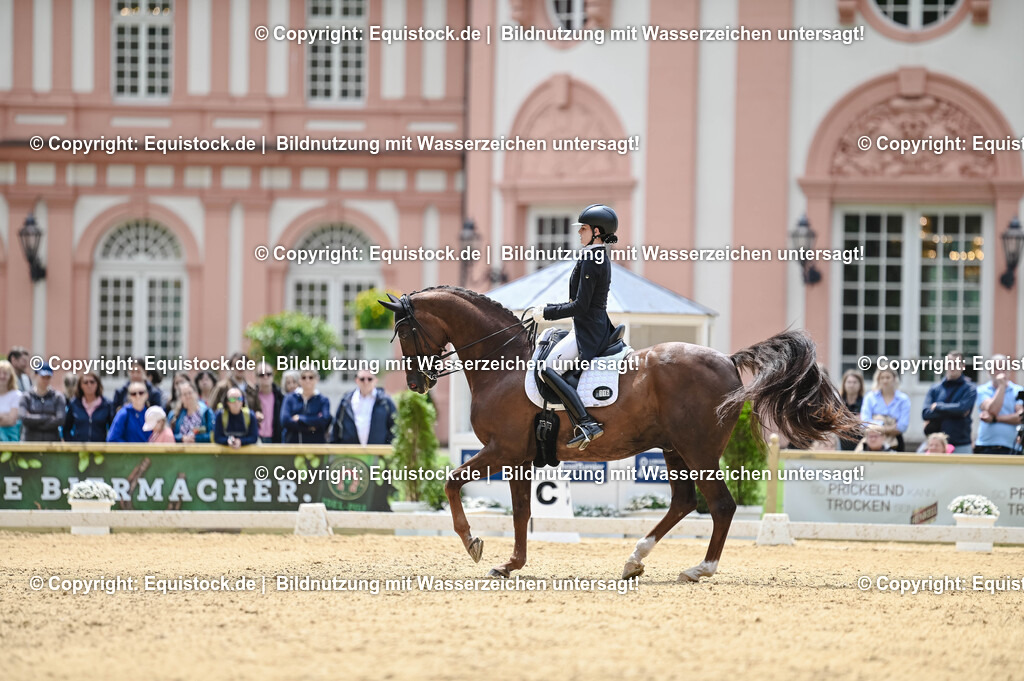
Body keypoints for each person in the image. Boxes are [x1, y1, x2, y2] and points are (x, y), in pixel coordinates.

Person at [529, 204, 618, 450]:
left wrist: (548, 312)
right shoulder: (596, 255)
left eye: (584, 229)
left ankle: (586, 422)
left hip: (589, 332)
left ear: (597, 232)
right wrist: (551, 306)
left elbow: (580, 305)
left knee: (545, 368)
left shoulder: (593, 258)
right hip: (589, 326)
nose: (579, 233)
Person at [921, 351, 976, 454]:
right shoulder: (935, 388)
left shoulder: (970, 389)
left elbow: (962, 408)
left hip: (961, 444)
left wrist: (938, 407)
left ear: (963, 366)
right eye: (949, 363)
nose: (952, 367)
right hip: (936, 446)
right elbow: (925, 414)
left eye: (956, 363)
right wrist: (955, 411)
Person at [973, 354, 1024, 454]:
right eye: (996, 368)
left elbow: (1020, 417)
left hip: (1011, 446)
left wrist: (995, 419)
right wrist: (1001, 386)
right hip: (985, 445)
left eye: (1004, 368)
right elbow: (992, 409)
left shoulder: (1018, 390)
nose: (1000, 371)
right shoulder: (982, 390)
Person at [334, 370, 397, 445]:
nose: (366, 382)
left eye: (369, 379)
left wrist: (388, 447)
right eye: (362, 379)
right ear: (357, 380)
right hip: (350, 453)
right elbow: (336, 425)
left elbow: (395, 426)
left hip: (379, 453)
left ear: (376, 380)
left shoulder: (386, 402)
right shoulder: (346, 400)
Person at [860, 367, 910, 451]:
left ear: (894, 379)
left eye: (888, 377)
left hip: (895, 442)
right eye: (882, 378)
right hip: (872, 441)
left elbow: (902, 426)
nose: (885, 381)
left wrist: (877, 425)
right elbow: (865, 422)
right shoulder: (870, 397)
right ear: (878, 380)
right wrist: (888, 426)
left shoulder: (903, 399)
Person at [280, 371, 332, 444]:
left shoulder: (323, 400)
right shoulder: (290, 398)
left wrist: (300, 418)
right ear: (299, 380)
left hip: (316, 446)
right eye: (304, 377)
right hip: (292, 445)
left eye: (311, 377)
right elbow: (285, 421)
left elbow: (324, 421)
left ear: (317, 379)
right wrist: (310, 427)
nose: (307, 380)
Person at [18, 363, 66, 441]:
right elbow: (24, 418)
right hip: (29, 444)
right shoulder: (26, 397)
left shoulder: (58, 397)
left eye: (48, 377)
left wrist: (33, 421)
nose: (45, 380)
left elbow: (60, 420)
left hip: (51, 444)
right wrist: (48, 417)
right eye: (43, 377)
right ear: (36, 375)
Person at [63, 371, 115, 442]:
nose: (89, 385)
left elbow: (113, 429)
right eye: (85, 382)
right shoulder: (74, 404)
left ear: (97, 384)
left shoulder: (107, 404)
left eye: (92, 382)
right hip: (79, 450)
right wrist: (71, 444)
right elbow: (66, 428)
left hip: (100, 449)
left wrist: (107, 444)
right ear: (80, 385)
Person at [253, 362, 285, 443]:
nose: (265, 377)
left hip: (275, 439)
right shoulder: (251, 395)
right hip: (255, 439)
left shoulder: (280, 396)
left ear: (272, 376)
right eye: (262, 374)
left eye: (268, 374)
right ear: (256, 377)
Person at [838, 369, 865, 451]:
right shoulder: (838, 401)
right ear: (844, 384)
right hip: (840, 442)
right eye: (849, 382)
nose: (851, 385)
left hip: (860, 442)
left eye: (855, 382)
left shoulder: (865, 402)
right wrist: (855, 420)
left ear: (860, 385)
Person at [0, 360, 23, 442]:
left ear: (11, 376)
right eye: (0, 373)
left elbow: (11, 420)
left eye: (5, 373)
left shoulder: (17, 395)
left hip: (10, 440)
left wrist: (5, 417)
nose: (2, 376)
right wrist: (3, 415)